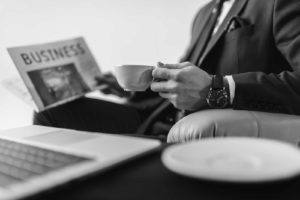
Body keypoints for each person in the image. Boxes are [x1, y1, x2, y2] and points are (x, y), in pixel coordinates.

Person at [34, 0, 300, 141]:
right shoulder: (205, 13)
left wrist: (216, 89)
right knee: (50, 114)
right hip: (156, 117)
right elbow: (180, 79)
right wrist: (129, 89)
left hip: (194, 131)